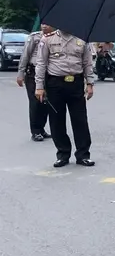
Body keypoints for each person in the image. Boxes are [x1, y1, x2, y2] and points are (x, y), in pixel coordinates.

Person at [34, 29, 95, 168]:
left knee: (80, 120)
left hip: (76, 83)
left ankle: (83, 155)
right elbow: (41, 64)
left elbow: (87, 63)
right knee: (56, 120)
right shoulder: (47, 39)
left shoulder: (82, 39)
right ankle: (62, 154)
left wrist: (90, 83)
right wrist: (39, 86)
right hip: (55, 84)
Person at [16, 24, 53, 142]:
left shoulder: (55, 38)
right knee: (35, 102)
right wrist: (20, 74)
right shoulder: (34, 37)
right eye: (43, 24)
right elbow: (25, 56)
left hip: (49, 74)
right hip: (33, 73)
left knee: (46, 103)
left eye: (48, 24)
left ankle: (41, 128)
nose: (44, 26)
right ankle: (35, 130)